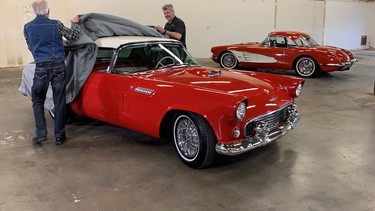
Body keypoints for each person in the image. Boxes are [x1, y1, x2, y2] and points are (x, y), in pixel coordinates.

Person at [23, 0, 81, 145]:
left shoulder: (27, 27)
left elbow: (30, 46)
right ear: (48, 11)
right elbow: (73, 36)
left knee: (37, 100)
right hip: (59, 67)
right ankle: (60, 136)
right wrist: (76, 23)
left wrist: (39, 56)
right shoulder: (56, 24)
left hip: (41, 66)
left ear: (35, 12)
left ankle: (41, 134)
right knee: (59, 101)